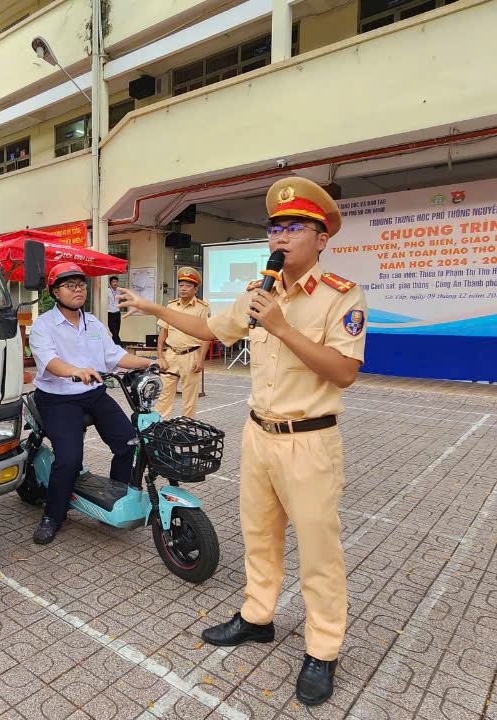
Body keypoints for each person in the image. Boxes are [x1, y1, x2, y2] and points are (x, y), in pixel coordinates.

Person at [117, 177, 367, 707]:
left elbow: (344, 372)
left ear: (321, 239)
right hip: (258, 435)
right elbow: (209, 329)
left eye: (294, 227)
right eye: (275, 227)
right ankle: (258, 616)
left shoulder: (339, 296)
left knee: (319, 552)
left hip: (309, 441)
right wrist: (157, 310)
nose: (281, 236)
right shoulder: (258, 293)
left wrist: (281, 326)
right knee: (259, 534)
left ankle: (322, 649)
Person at [27, 263, 157, 545]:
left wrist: (153, 362)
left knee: (130, 445)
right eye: (70, 285)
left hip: (94, 393)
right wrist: (75, 370)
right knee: (70, 459)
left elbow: (115, 356)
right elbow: (50, 362)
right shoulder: (43, 326)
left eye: (81, 284)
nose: (77, 289)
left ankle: (116, 496)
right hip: (58, 398)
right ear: (55, 292)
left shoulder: (94, 323)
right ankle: (53, 515)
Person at [154, 267, 210, 419]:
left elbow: (206, 336)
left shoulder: (202, 308)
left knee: (189, 396)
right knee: (164, 393)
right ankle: (160, 424)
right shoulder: (171, 306)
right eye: (181, 285)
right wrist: (160, 355)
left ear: (196, 288)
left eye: (188, 285)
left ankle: (187, 426)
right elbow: (163, 332)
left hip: (191, 354)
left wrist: (201, 360)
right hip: (171, 354)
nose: (183, 289)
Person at [106, 276, 124, 344]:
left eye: (116, 282)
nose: (115, 283)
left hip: (117, 313)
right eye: (113, 282)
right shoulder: (107, 290)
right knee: (114, 331)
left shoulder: (119, 291)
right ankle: (119, 346)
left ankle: (114, 346)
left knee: (116, 332)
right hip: (110, 314)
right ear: (110, 283)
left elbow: (127, 293)